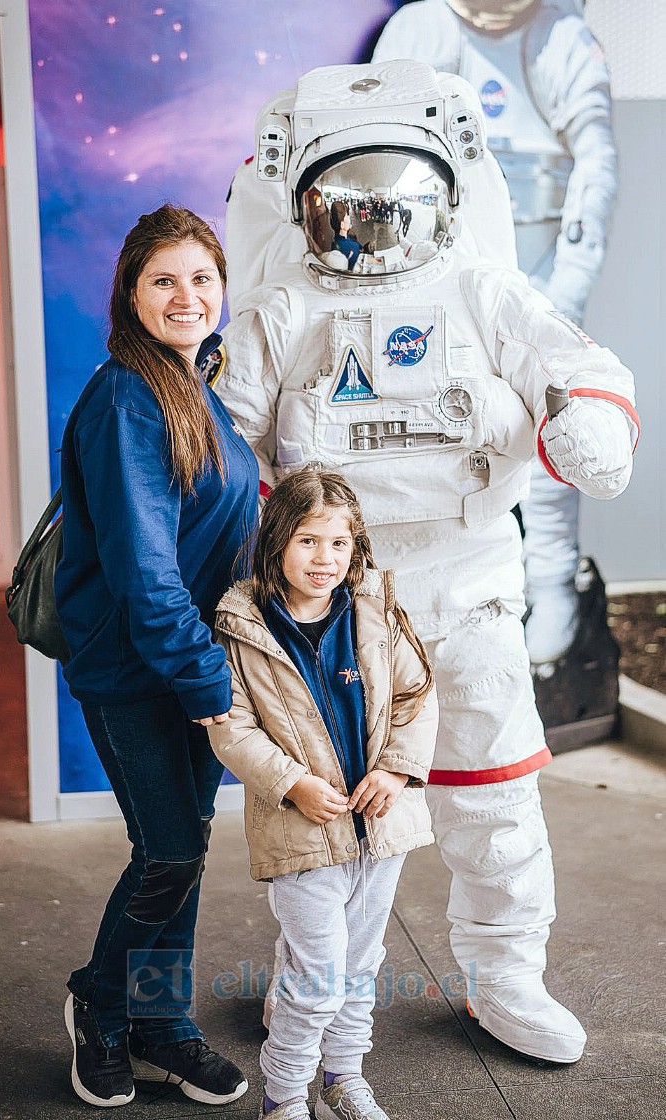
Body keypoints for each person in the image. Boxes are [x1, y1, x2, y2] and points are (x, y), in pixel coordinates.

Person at [216, 61, 639, 1064]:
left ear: (439, 198)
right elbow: (219, 437)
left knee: (491, 790)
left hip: (468, 581)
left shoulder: (482, 289)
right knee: (333, 806)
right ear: (305, 207)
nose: (364, 228)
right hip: (336, 600)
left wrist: (585, 426)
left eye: (385, 204)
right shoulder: (282, 309)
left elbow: (584, 369)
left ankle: (505, 975)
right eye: (339, 208)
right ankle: (315, 980)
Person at [55, 204, 258, 1108]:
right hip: (138, 669)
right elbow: (143, 570)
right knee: (168, 848)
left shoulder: (195, 384)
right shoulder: (125, 397)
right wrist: (212, 685)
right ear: (130, 293)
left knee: (186, 849)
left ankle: (160, 1020)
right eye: (163, 280)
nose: (186, 295)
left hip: (190, 664)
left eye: (201, 278)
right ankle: (102, 1004)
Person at [373, 0, 621, 742]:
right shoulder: (423, 29)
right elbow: (379, 146)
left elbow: (596, 165)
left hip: (541, 278)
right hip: (449, 284)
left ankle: (551, 607)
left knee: (551, 433)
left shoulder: (561, 39)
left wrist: (561, 295)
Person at [208, 468, 439, 1120]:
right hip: (300, 832)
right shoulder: (240, 624)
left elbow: (416, 696)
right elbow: (232, 730)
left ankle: (343, 1079)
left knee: (361, 967)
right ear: (277, 540)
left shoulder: (374, 610)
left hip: (379, 826)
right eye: (310, 542)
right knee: (315, 979)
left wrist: (395, 771)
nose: (325, 559)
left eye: (340, 544)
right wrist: (293, 784)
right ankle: (283, 1099)